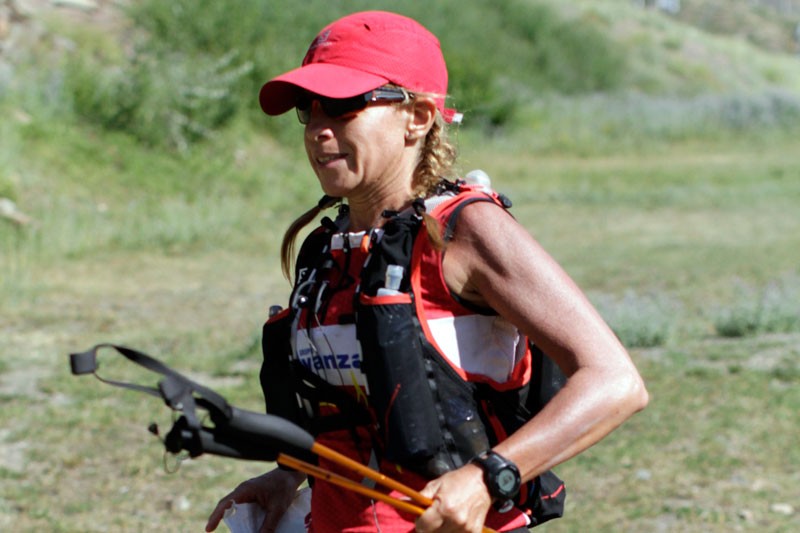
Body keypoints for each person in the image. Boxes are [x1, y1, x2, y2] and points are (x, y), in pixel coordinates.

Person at [206, 10, 648, 533]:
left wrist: (489, 479)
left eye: (345, 105)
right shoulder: (325, 248)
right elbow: (356, 414)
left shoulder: (467, 231)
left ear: (417, 116)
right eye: (309, 108)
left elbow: (615, 382)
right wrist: (288, 478)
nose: (320, 129)